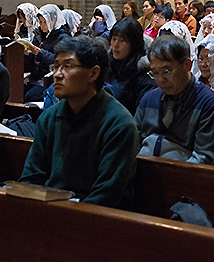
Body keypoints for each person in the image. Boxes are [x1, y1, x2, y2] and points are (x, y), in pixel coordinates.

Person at [19, 36, 139, 207]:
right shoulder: (49, 118)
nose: (57, 75)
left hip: (97, 220)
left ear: (93, 73)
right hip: (49, 212)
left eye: (67, 66)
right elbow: (31, 177)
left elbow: (106, 194)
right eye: (57, 66)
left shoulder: (119, 124)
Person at [134, 35, 214, 164]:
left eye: (166, 71)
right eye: (154, 73)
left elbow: (203, 158)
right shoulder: (149, 98)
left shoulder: (208, 103)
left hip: (181, 178)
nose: (160, 79)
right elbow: (133, 141)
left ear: (187, 65)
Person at [106, 18, 155, 116]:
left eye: (122, 40)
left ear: (134, 44)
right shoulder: (106, 65)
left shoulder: (144, 75)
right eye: (114, 39)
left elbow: (141, 116)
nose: (115, 45)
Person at [24, 4, 71, 102]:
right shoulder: (40, 35)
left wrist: (39, 53)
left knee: (31, 96)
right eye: (40, 22)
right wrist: (28, 53)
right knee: (19, 91)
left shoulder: (63, 37)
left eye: (44, 22)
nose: (42, 25)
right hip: (36, 76)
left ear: (52, 20)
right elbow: (33, 59)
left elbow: (58, 60)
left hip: (50, 78)